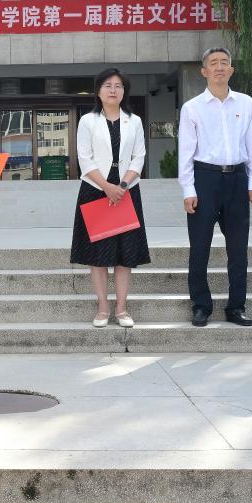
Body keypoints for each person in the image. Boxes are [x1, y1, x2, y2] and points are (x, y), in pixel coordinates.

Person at [177, 47, 252, 328]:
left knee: (238, 249)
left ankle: (236, 306)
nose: (220, 67)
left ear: (231, 70)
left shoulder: (246, 103)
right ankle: (201, 305)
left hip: (237, 179)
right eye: (214, 63)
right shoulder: (192, 108)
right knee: (199, 247)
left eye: (225, 62)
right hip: (205, 179)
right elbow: (186, 152)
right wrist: (188, 189)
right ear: (204, 71)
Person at [71, 68, 150, 328]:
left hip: (127, 190)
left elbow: (139, 156)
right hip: (95, 189)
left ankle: (122, 309)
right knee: (98, 255)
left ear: (124, 91)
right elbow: (84, 158)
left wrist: (122, 185)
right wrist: (107, 187)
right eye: (107, 85)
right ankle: (103, 308)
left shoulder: (134, 121)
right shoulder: (88, 121)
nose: (113, 90)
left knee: (125, 255)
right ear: (98, 91)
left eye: (118, 85)